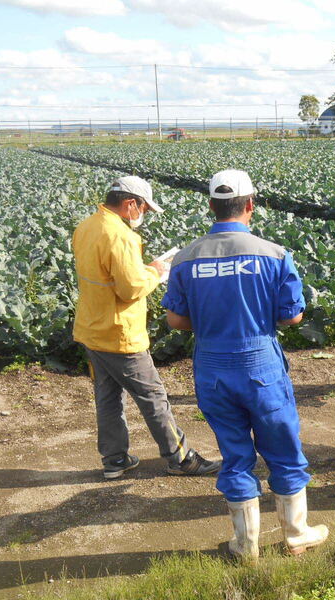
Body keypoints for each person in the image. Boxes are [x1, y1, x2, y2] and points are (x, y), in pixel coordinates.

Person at [163, 169, 328, 559]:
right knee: (284, 450)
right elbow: (292, 317)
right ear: (250, 205)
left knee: (235, 455)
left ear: (210, 206)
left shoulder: (186, 257)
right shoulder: (274, 254)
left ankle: (245, 544)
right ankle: (295, 533)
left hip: (212, 368)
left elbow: (175, 319)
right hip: (261, 367)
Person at [72, 176, 219, 479]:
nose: (145, 214)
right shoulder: (120, 236)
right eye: (144, 209)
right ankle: (180, 459)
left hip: (91, 328)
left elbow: (107, 275)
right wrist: (156, 271)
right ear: (129, 204)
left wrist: (144, 269)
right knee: (153, 397)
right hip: (120, 334)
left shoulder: (86, 226)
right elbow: (130, 289)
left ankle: (114, 459)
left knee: (108, 397)